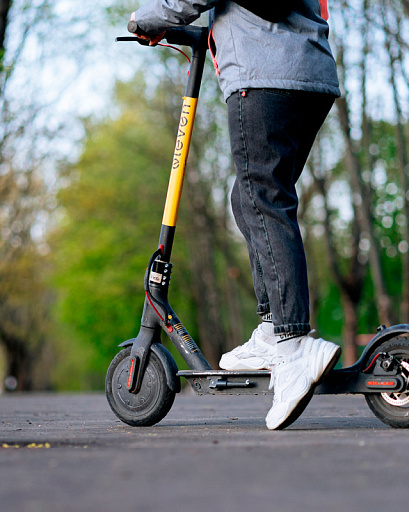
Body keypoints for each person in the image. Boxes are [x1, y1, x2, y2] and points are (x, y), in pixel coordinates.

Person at [131, 0, 341, 430]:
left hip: (262, 75)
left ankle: (293, 342)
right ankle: (273, 329)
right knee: (250, 199)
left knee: (263, 198)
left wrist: (146, 19)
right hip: (311, 76)